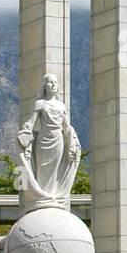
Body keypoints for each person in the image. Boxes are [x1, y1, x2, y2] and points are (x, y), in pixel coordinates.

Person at [16, 73, 81, 208]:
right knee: (42, 169)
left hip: (58, 141)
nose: (53, 85)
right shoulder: (40, 104)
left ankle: (53, 197)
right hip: (43, 140)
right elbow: (31, 123)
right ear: (45, 86)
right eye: (50, 82)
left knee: (55, 170)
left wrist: (72, 144)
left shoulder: (61, 106)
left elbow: (66, 127)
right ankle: (42, 196)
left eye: (55, 83)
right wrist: (24, 133)